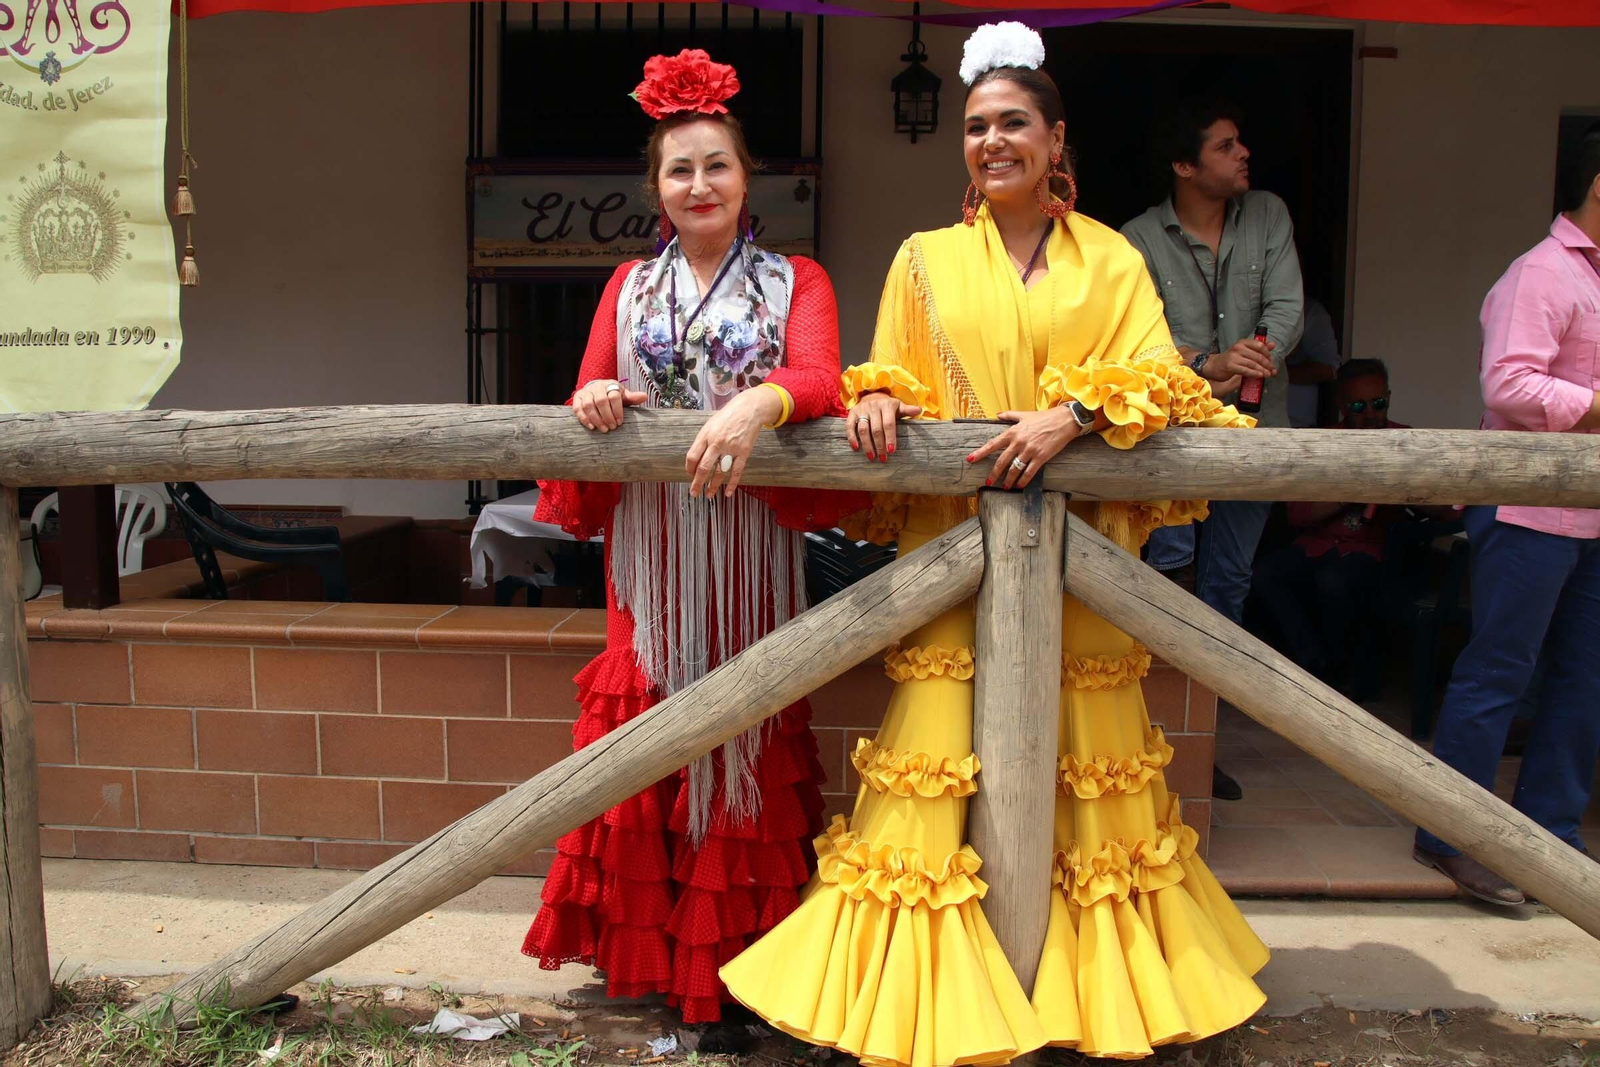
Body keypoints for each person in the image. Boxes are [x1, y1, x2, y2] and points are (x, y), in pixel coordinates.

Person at [719, 25, 1269, 1066]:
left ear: (1055, 139)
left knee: (1088, 774)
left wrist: (1068, 416)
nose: (990, 141)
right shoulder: (921, 260)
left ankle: (1089, 998)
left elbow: (1162, 378)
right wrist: (879, 400)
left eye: (1012, 122)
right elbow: (894, 369)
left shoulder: (1112, 257)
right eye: (975, 128)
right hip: (953, 564)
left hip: (1085, 573)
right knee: (934, 768)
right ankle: (921, 1006)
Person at [520, 50, 864, 1041]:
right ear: (656, 189)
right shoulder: (627, 287)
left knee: (743, 732)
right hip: (656, 558)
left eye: (716, 165)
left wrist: (758, 402)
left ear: (746, 179)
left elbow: (819, 376)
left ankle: (737, 977)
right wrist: (593, 396)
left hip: (751, 556)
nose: (699, 184)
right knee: (646, 716)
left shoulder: (795, 277)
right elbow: (592, 384)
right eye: (680, 170)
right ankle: (660, 964)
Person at [1412, 121, 1600, 904]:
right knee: (1498, 673)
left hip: (1589, 512)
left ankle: (1550, 838)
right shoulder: (1543, 272)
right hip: (1527, 511)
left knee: (1584, 677)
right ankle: (1452, 835)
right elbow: (1509, 386)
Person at [1121, 98, 1305, 803]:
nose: (1243, 154)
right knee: (1165, 573)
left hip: (1255, 434)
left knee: (1228, 581)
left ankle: (1200, 742)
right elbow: (1139, 337)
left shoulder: (1269, 215)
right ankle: (1152, 736)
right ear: (1183, 164)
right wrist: (1206, 364)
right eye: (1227, 145)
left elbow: (1286, 306)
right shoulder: (1137, 237)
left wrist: (1253, 357)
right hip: (1172, 437)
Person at [1251, 359, 1448, 699]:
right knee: (1264, 575)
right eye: (1358, 406)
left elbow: (1446, 511)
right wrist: (1350, 493)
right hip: (1316, 544)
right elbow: (1297, 516)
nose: (1370, 414)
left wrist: (1402, 487)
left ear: (1388, 397)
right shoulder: (1326, 442)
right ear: (1342, 405)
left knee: (1336, 582)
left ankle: (1337, 671)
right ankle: (1314, 663)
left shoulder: (1406, 439)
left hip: (1372, 551)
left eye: (1378, 403)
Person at [1286, 297, 1341, 428]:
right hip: (1240, 422)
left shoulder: (1309, 311)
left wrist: (1272, 374)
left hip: (1297, 424)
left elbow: (1329, 369)